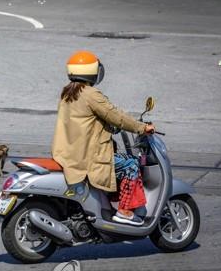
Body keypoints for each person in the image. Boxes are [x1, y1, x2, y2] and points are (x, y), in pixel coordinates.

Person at [51, 50, 155, 226]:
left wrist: (108, 127)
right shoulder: (91, 94)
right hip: (88, 156)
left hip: (68, 153)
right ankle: (125, 211)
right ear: (92, 71)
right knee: (131, 164)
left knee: (119, 159)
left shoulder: (67, 93)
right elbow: (116, 116)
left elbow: (85, 121)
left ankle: (106, 205)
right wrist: (142, 128)